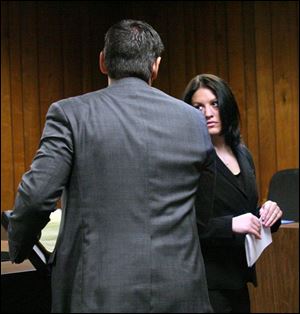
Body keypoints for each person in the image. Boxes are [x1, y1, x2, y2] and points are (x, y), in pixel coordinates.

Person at [8, 20, 216, 313]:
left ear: (103, 61)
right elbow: (203, 213)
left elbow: (35, 197)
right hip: (182, 290)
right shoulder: (193, 121)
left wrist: (19, 246)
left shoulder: (70, 114)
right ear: (155, 66)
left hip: (97, 293)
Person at [182, 74, 283, 313]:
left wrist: (270, 215)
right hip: (206, 282)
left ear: (226, 105)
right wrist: (230, 225)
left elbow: (246, 213)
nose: (207, 113)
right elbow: (183, 224)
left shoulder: (242, 153)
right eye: (198, 107)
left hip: (238, 279)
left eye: (214, 104)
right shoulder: (189, 158)